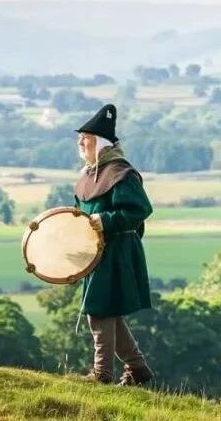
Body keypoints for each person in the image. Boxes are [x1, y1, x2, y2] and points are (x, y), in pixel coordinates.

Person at [73, 104, 154, 386]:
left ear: (102, 143)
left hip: (117, 251)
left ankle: (102, 374)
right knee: (107, 313)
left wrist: (105, 220)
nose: (81, 142)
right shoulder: (86, 175)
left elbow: (139, 210)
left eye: (87, 137)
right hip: (95, 253)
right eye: (80, 137)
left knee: (99, 312)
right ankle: (137, 368)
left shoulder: (121, 173)